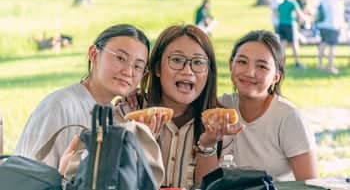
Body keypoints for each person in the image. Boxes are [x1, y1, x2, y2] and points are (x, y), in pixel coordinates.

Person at [115, 24, 242, 189]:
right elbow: (116, 181)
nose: (188, 71)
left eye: (198, 62)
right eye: (176, 60)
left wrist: (208, 145)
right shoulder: (129, 112)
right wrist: (143, 143)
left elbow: (210, 187)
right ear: (157, 68)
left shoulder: (220, 124)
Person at [14, 24, 156, 167]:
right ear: (94, 54)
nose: (128, 72)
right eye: (120, 58)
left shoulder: (112, 117)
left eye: (137, 66)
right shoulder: (60, 106)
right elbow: (29, 176)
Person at [220, 30, 318, 181]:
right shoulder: (221, 107)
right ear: (230, 65)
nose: (250, 72)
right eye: (242, 62)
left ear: (276, 77)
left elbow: (310, 184)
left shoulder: (289, 117)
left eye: (262, 66)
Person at [316, 0, 343, 74]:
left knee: (323, 44)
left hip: (322, 26)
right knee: (332, 47)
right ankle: (330, 67)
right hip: (332, 26)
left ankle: (319, 65)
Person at [278, 0, 307, 69]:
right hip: (290, 25)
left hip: (281, 25)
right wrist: (306, 20)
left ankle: (280, 63)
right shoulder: (293, 3)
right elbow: (300, 14)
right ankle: (297, 63)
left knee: (283, 44)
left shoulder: (281, 4)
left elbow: (278, 14)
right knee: (294, 44)